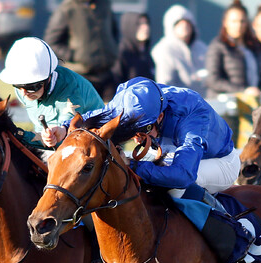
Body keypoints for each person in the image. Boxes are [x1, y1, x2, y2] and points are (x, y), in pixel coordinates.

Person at [46, 77, 239, 210]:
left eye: (143, 130)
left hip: (220, 162)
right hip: (170, 151)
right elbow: (99, 117)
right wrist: (62, 129)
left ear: (160, 116)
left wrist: (133, 166)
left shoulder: (192, 118)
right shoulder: (132, 98)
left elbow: (183, 175)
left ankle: (231, 231)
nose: (136, 137)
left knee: (172, 187)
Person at [0, 37, 104, 151]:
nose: (23, 93)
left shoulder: (70, 92)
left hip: (93, 147)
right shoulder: (24, 91)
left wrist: (20, 135)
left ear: (48, 78)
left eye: (31, 87)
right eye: (17, 86)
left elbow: (61, 141)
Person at [44, 0, 118, 101]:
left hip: (106, 73)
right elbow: (52, 42)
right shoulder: (67, 8)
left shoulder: (104, 4)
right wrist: (75, 55)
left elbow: (114, 31)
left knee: (110, 114)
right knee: (85, 114)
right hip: (80, 75)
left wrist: (112, 49)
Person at [205, 0, 261, 99]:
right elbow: (213, 80)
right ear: (225, 22)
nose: (238, 25)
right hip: (226, 106)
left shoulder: (254, 47)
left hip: (251, 103)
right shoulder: (218, 45)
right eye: (234, 21)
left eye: (242, 21)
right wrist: (243, 91)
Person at [151, 5, 208, 94]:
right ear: (171, 26)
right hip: (178, 103)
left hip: (204, 101)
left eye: (187, 22)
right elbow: (164, 84)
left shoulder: (202, 48)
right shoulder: (164, 49)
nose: (184, 26)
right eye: (178, 23)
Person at [113, 12, 154, 83]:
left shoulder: (146, 53)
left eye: (146, 23)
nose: (145, 27)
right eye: (139, 24)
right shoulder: (122, 53)